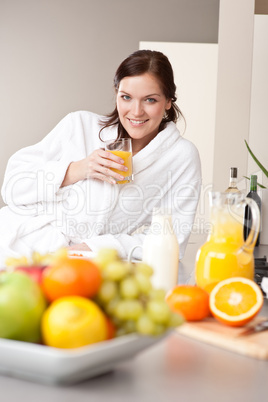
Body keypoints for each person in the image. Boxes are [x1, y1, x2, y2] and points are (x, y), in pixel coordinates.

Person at [0, 50, 202, 265]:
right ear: (117, 94)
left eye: (150, 100)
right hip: (15, 246)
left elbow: (172, 240)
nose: (136, 111)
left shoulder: (180, 157)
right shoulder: (79, 125)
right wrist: (77, 170)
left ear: (168, 101)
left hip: (84, 263)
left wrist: (96, 247)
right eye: (126, 97)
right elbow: (12, 188)